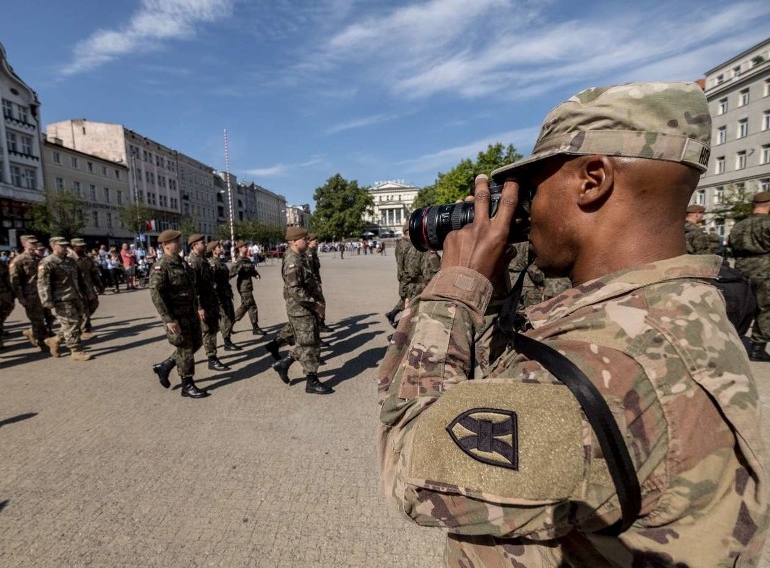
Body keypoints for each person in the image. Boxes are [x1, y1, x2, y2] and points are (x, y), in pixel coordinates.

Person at [378, 82, 768, 566]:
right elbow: (514, 383)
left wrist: (455, 288)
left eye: (532, 191)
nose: (523, 211)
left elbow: (408, 468)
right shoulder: (673, 311)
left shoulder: (610, 367)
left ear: (592, 179)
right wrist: (495, 293)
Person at [272, 227, 333, 395]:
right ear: (294, 241)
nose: (307, 241)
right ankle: (311, 381)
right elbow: (296, 291)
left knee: (308, 342)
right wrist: (315, 304)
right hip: (301, 309)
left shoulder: (300, 257)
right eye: (304, 239)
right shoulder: (293, 261)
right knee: (310, 344)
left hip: (305, 308)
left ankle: (284, 364)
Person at [149, 230, 209, 399]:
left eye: (179, 240)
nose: (179, 243)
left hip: (189, 312)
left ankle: (165, 365)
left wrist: (197, 307)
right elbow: (157, 295)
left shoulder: (181, 262)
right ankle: (187, 384)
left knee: (196, 342)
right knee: (185, 348)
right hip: (176, 315)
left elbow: (191, 287)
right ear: (165, 245)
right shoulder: (161, 266)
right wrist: (169, 319)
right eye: (175, 241)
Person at [729, 191, 770, 361]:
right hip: (765, 269)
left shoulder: (739, 225)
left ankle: (732, 342)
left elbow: (731, 246)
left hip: (741, 269)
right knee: (765, 308)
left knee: (742, 307)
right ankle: (757, 349)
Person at [38, 237, 93, 361]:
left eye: (65, 245)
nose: (65, 248)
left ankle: (55, 340)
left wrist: (88, 292)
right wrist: (46, 300)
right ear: (53, 246)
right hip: (61, 298)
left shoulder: (70, 261)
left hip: (76, 296)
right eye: (61, 245)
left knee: (77, 322)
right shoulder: (47, 262)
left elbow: (80, 279)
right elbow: (43, 283)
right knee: (71, 323)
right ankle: (76, 350)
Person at [185, 234, 228, 372]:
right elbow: (194, 287)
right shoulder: (193, 262)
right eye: (202, 242)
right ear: (194, 245)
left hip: (210, 301)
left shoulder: (202, 259)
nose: (205, 244)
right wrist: (199, 307)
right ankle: (212, 358)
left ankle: (168, 363)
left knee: (211, 329)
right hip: (202, 303)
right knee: (206, 331)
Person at [9, 235, 51, 351]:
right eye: (31, 243)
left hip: (43, 294)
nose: (34, 245)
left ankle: (32, 332)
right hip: (30, 295)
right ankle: (42, 342)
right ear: (24, 244)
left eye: (35, 243)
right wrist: (21, 297)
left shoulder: (39, 259)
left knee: (49, 317)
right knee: (37, 319)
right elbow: (15, 281)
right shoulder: (18, 260)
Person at [209, 240, 240, 351]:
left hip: (226, 293)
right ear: (213, 250)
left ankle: (225, 337)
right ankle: (227, 342)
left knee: (231, 316)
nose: (221, 248)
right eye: (218, 247)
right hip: (219, 296)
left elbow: (226, 277)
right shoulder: (213, 264)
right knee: (226, 318)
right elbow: (212, 282)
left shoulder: (221, 262)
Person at [231, 240, 266, 336]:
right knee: (249, 306)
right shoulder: (239, 261)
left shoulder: (246, 259)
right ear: (240, 248)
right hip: (243, 287)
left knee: (246, 306)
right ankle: (254, 327)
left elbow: (251, 270)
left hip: (248, 286)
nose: (247, 248)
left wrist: (256, 274)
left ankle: (230, 324)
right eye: (245, 246)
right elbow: (231, 273)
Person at [71, 238, 101, 339]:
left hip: (89, 287)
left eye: (84, 246)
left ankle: (80, 322)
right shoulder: (70, 259)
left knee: (94, 304)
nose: (83, 248)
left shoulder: (87, 258)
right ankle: (85, 330)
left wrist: (99, 285)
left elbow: (94, 272)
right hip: (77, 289)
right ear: (74, 247)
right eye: (80, 246)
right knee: (85, 308)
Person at [306, 234, 333, 332]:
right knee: (320, 303)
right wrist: (317, 284)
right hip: (312, 284)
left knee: (319, 303)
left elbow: (316, 270)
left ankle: (320, 323)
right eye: (315, 241)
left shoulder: (313, 252)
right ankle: (320, 324)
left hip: (315, 282)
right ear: (310, 241)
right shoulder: (308, 252)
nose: (317, 243)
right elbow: (311, 271)